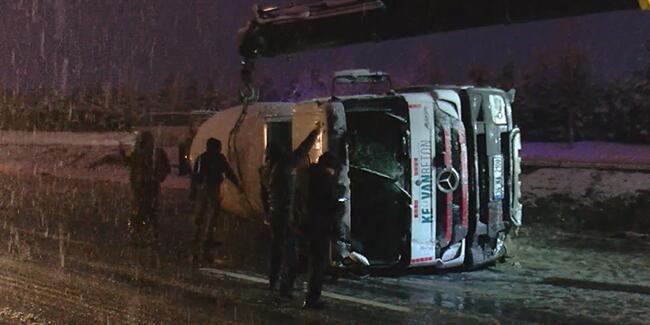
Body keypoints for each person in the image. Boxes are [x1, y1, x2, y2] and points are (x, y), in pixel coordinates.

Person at [280, 152, 346, 309]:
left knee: (303, 259)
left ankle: (285, 284)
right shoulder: (324, 180)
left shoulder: (305, 176)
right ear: (330, 168)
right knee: (318, 263)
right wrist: (338, 226)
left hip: (302, 225)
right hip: (318, 227)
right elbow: (330, 206)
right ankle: (312, 299)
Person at [260, 125, 321, 290]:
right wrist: (314, 133)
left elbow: (263, 194)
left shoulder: (266, 170)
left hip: (274, 213)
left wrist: (267, 212)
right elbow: (301, 151)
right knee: (292, 249)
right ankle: (286, 283)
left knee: (277, 248)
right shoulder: (284, 165)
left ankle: (274, 279)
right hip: (285, 213)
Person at [190, 138, 240, 266]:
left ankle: (198, 244)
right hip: (211, 188)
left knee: (202, 217)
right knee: (211, 217)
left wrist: (193, 191)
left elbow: (195, 176)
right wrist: (238, 185)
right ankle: (205, 243)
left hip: (205, 189)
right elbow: (228, 172)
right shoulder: (218, 158)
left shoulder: (203, 158)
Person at [120, 131, 171, 241]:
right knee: (146, 210)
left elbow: (166, 168)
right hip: (143, 187)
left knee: (144, 210)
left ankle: (142, 232)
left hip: (145, 187)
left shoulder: (151, 153)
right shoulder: (144, 153)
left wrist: (156, 175)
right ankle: (145, 232)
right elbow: (129, 163)